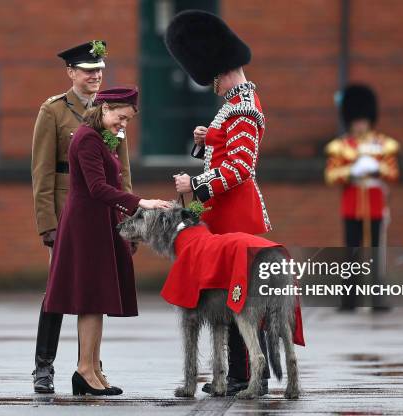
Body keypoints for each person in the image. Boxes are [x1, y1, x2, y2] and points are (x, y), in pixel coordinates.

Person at [165, 10, 271, 396]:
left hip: (235, 214)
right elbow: (226, 151)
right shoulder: (237, 104)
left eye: (212, 77)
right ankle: (236, 375)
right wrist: (207, 138)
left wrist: (194, 184)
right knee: (230, 295)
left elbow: (241, 167)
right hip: (227, 213)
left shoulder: (242, 107)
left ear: (222, 71)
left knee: (239, 296)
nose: (212, 85)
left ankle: (244, 376)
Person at [43, 87, 171, 396]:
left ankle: (92, 369)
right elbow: (98, 187)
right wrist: (142, 203)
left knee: (96, 299)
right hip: (86, 225)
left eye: (128, 120)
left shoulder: (101, 137)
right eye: (120, 117)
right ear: (104, 109)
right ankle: (85, 370)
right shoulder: (87, 138)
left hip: (99, 222)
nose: (123, 124)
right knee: (90, 299)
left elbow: (112, 177)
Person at [30, 40, 132, 393]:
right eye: (88, 71)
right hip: (67, 211)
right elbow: (42, 172)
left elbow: (121, 171)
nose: (95, 76)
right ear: (71, 72)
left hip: (103, 212)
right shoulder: (53, 111)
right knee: (58, 289)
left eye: (99, 70)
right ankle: (44, 366)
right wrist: (48, 224)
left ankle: (89, 366)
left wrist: (128, 216)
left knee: (93, 288)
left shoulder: (113, 110)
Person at [324, 84, 399, 309]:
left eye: (363, 121)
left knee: (376, 254)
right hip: (352, 205)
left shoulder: (383, 145)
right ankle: (350, 299)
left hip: (375, 205)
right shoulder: (342, 146)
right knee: (352, 254)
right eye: (356, 121)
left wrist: (377, 169)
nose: (359, 125)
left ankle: (377, 299)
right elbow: (331, 175)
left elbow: (393, 173)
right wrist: (351, 171)